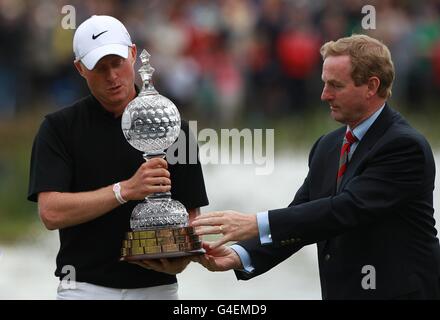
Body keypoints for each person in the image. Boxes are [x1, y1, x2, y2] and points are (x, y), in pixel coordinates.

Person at [191, 34, 440, 299]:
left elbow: (346, 210)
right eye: (324, 84)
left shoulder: (403, 146)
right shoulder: (327, 146)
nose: (324, 95)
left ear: (371, 86)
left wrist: (257, 223)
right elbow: (303, 217)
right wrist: (240, 255)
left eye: (336, 85)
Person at [27, 15, 208, 299]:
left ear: (133, 54)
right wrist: (125, 190)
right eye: (100, 68)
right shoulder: (59, 128)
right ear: (80, 69)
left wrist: (183, 256)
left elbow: (192, 216)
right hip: (83, 289)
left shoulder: (176, 128)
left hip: (157, 288)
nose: (112, 77)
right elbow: (51, 212)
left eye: (117, 63)